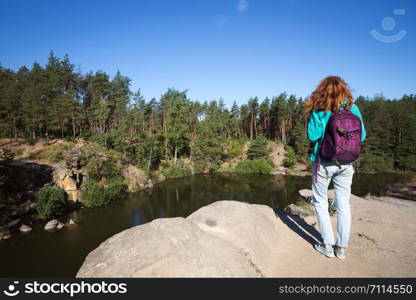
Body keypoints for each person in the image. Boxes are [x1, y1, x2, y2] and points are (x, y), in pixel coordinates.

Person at [305, 76, 366, 259]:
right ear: (344, 90)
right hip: (346, 163)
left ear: (322, 90)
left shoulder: (319, 109)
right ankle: (341, 249)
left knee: (321, 203)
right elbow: (362, 136)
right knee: (343, 204)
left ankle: (327, 246)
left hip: (323, 162)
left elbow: (312, 135)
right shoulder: (353, 108)